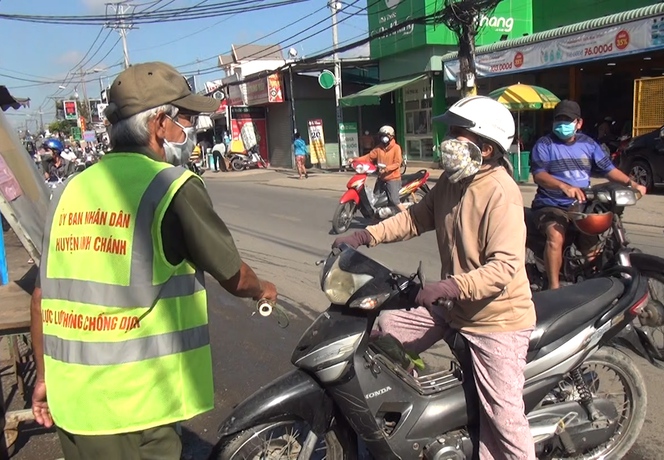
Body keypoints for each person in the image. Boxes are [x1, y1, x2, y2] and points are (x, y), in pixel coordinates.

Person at [30, 61, 278, 460]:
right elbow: (233, 274)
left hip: (70, 403)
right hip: (133, 411)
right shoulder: (171, 186)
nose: (191, 130)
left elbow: (42, 295)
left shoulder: (67, 192)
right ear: (160, 125)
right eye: (187, 119)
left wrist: (43, 376)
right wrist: (262, 289)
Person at [333, 96, 536, 459]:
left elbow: (505, 266)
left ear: (486, 148)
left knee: (504, 419)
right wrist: (366, 235)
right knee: (385, 336)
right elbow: (414, 219)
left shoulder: (501, 192)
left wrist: (450, 285)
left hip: (495, 319)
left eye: (458, 133)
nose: (449, 140)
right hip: (454, 305)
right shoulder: (453, 182)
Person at [530, 100, 646, 290]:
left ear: (579, 123)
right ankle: (554, 288)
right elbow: (539, 175)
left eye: (567, 120)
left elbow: (608, 169)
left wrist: (631, 183)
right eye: (558, 120)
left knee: (592, 247)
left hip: (582, 204)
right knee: (555, 237)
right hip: (551, 203)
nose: (562, 125)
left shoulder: (588, 144)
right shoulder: (544, 144)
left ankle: (594, 285)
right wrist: (562, 186)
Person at [354, 125, 404, 213]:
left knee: (394, 200)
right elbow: (369, 157)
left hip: (393, 178)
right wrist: (355, 159)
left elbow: (397, 163)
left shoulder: (396, 148)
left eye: (386, 135)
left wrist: (387, 169)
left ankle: (408, 217)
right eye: (382, 136)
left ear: (391, 136)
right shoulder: (378, 148)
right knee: (375, 199)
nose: (383, 138)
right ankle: (378, 218)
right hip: (381, 177)